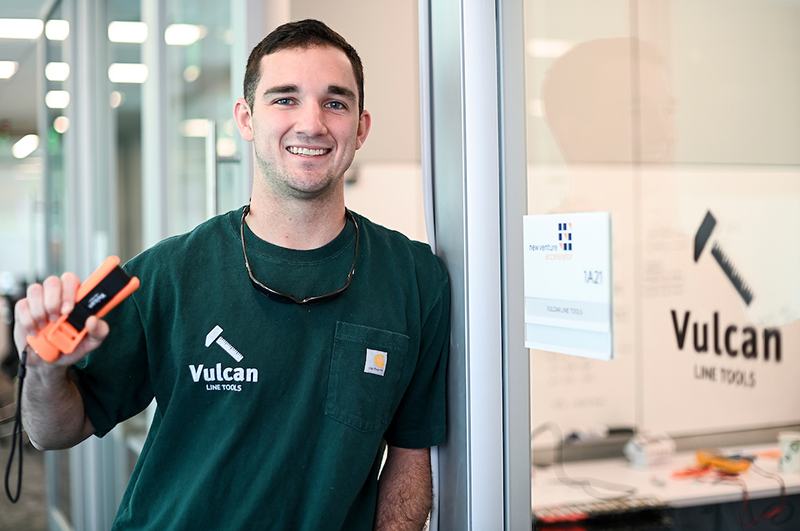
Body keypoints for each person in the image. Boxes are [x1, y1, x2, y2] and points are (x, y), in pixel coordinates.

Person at [13, 19, 450, 531]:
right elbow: (55, 431)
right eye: (284, 99)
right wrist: (44, 372)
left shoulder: (415, 279)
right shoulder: (169, 274)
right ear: (245, 119)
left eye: (335, 102)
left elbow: (410, 454)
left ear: (361, 126)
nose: (312, 123)